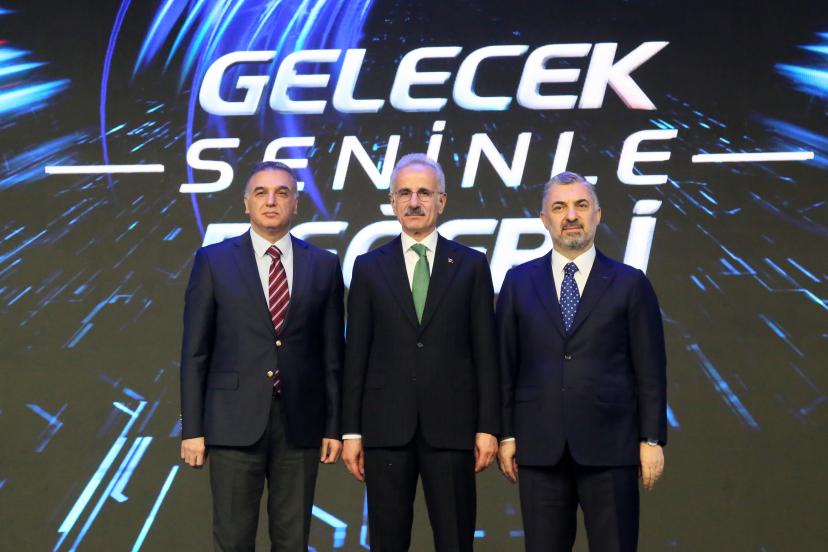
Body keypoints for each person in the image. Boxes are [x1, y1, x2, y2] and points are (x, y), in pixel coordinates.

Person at [496, 171, 667, 552]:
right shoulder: (518, 282)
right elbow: (504, 367)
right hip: (539, 449)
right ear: (544, 219)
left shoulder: (630, 283)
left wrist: (651, 438)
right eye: (559, 207)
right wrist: (505, 434)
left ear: (598, 215)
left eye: (581, 205)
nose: (571, 215)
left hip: (612, 449)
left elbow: (651, 370)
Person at [179, 161, 344, 551]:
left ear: (296, 204)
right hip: (231, 423)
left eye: (282, 193)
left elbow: (333, 354)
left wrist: (334, 426)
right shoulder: (213, 261)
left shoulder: (324, 264)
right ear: (246, 204)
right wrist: (192, 429)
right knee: (233, 539)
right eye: (261, 193)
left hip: (301, 424)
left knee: (293, 540)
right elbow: (195, 352)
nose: (271, 201)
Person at [341, 153, 500, 551]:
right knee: (387, 542)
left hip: (453, 428)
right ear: (392, 202)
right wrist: (351, 430)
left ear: (441, 201)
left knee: (455, 540)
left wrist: (488, 427)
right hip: (385, 430)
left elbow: (486, 352)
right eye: (405, 193)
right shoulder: (368, 267)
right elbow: (356, 355)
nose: (414, 202)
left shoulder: (471, 265)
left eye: (424, 193)